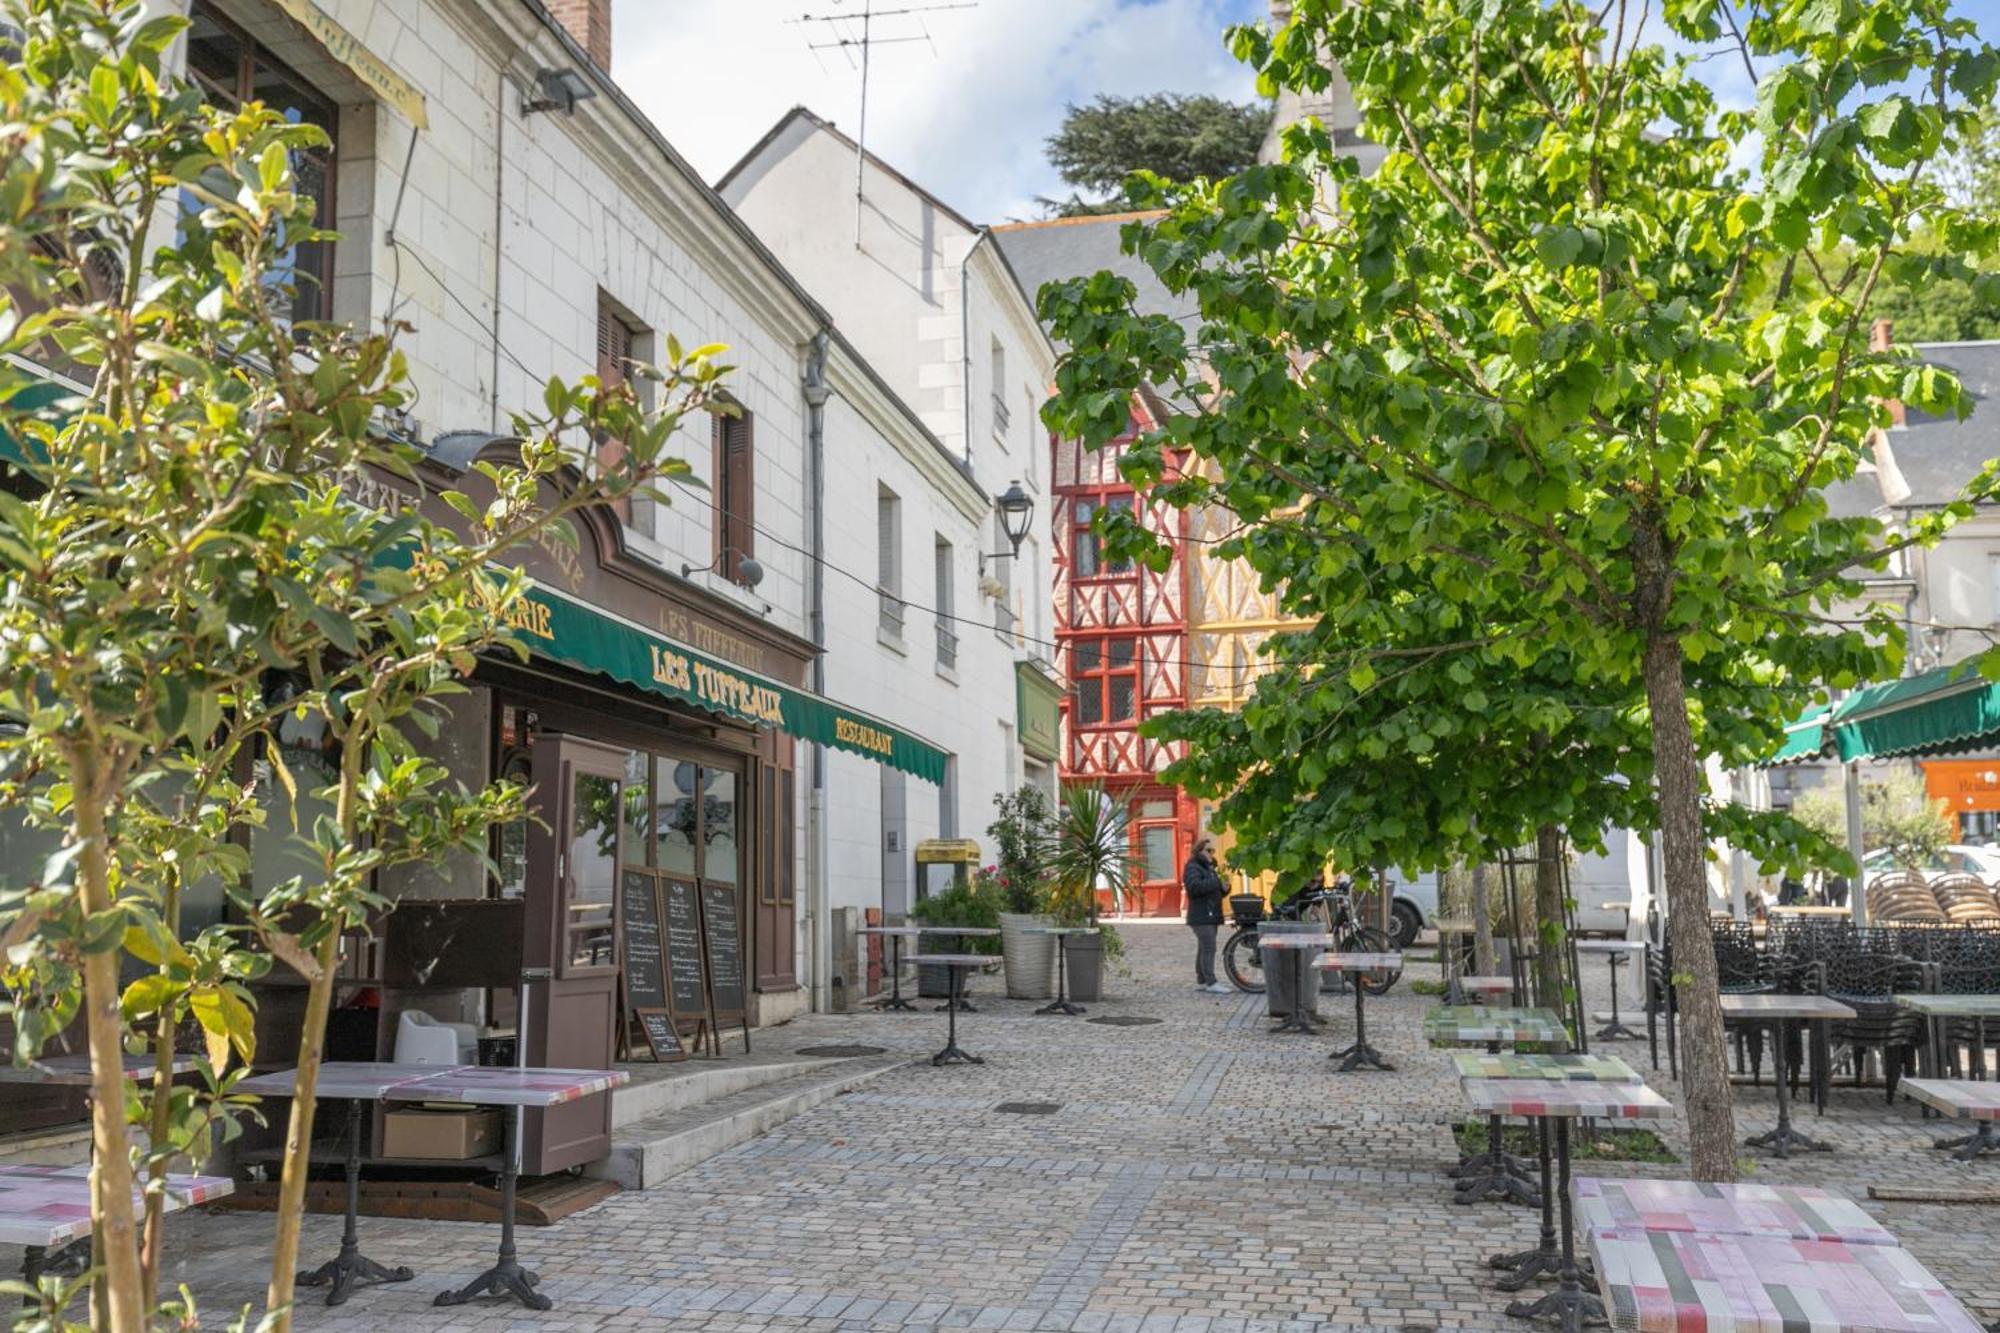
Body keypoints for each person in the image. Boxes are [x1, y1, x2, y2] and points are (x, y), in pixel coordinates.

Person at [1182, 836, 1230, 993]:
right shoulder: (1193, 867)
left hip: (1210, 913)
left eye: (1213, 851)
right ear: (1199, 851)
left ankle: (1202, 980)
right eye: (1209, 850)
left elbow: (1213, 892)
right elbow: (1194, 888)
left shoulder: (1209, 868)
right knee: (1209, 947)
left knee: (1204, 947)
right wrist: (1216, 883)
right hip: (1200, 915)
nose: (1212, 854)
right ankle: (1211, 982)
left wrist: (1224, 888)